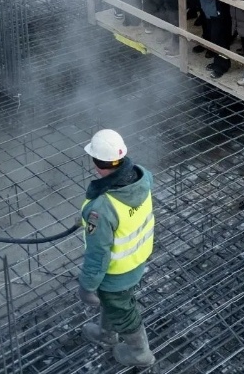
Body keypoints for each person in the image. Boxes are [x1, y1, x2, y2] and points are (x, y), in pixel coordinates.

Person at [77, 129, 156, 368]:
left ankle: (141, 354)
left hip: (115, 273)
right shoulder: (141, 178)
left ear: (97, 163)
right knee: (114, 304)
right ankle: (106, 335)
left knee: (123, 311)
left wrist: (87, 286)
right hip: (138, 259)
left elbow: (98, 255)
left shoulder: (102, 208)